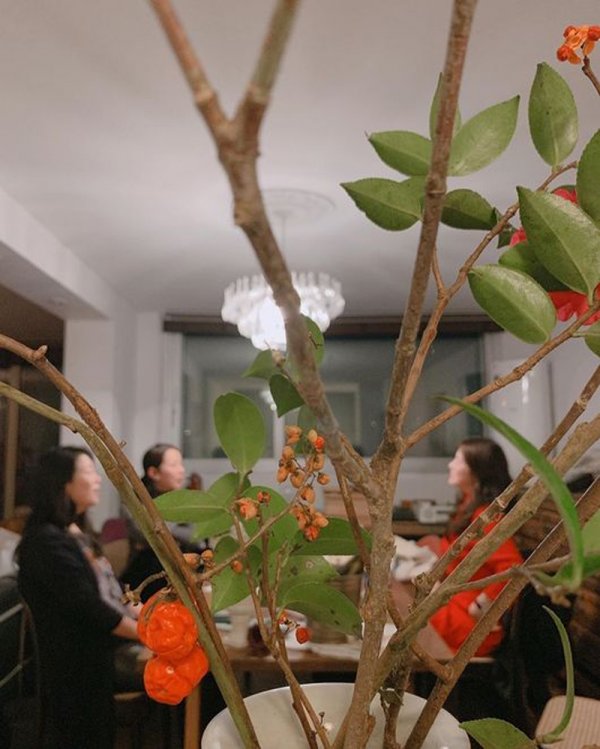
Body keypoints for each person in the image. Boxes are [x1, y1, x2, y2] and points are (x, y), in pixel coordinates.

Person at [17, 446, 139, 749]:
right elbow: (90, 609)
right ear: (63, 483)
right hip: (80, 666)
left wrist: (145, 612)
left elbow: (108, 593)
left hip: (100, 652)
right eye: (88, 472)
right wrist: (147, 634)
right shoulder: (45, 542)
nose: (97, 479)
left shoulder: (74, 532)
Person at [420, 437, 523, 657]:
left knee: (406, 611)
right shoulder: (468, 505)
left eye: (458, 460)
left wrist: (482, 607)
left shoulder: (487, 518)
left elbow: (512, 566)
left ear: (476, 471)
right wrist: (438, 547)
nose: (450, 465)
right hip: (453, 603)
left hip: (470, 622)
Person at [121, 443, 201, 601]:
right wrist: (174, 529)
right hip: (148, 575)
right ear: (154, 472)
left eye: (181, 464)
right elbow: (148, 534)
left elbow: (196, 536)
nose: (181, 470)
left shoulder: (183, 499)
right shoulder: (134, 500)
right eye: (174, 465)